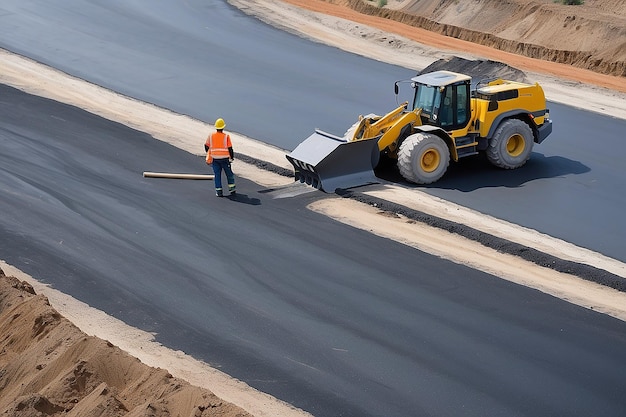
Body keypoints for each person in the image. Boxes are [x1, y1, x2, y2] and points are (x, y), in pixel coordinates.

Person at [205, 118, 235, 197]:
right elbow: (230, 148)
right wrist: (232, 158)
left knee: (217, 175)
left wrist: (209, 153)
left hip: (215, 159)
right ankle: (232, 190)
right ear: (223, 127)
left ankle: (219, 192)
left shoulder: (211, 136)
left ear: (216, 127)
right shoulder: (226, 136)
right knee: (229, 174)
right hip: (225, 159)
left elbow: (206, 146)